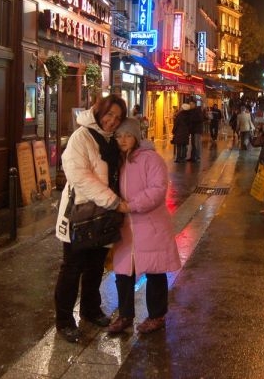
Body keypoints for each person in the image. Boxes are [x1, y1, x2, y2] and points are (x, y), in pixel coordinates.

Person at [54, 94, 130, 343]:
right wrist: (114, 202)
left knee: (95, 266)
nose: (112, 122)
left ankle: (90, 309)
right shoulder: (81, 137)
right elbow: (81, 178)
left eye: (118, 118)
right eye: (109, 115)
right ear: (99, 111)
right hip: (81, 214)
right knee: (72, 268)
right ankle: (64, 320)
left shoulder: (112, 141)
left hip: (104, 216)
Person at [107, 118, 181, 334]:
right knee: (122, 273)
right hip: (126, 228)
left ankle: (157, 315)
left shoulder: (150, 159)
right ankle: (125, 315)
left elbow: (158, 190)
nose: (122, 140)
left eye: (127, 135)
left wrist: (130, 206)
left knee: (155, 272)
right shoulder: (116, 161)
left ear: (136, 137)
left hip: (150, 225)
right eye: (118, 136)